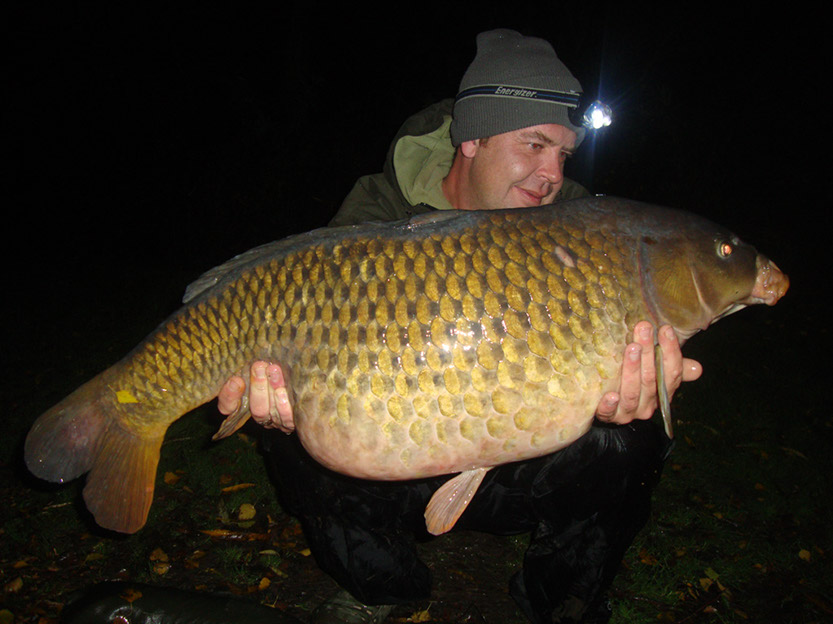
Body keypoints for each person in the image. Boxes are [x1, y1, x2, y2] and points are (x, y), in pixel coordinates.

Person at [218, 29, 701, 624]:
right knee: (291, 429)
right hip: (394, 450)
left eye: (564, 154)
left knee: (632, 436)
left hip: (522, 455)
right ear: (473, 137)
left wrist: (632, 395)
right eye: (535, 144)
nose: (552, 174)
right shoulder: (377, 212)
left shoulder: (586, 232)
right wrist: (287, 397)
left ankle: (561, 602)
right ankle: (384, 590)